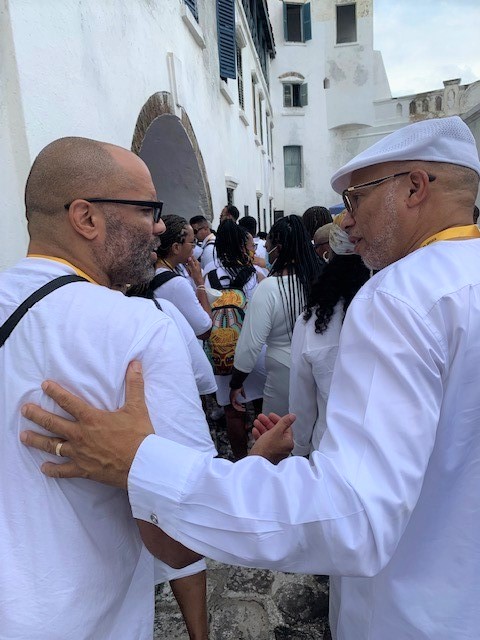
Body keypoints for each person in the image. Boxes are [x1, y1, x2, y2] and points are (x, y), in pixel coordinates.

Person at [22, 116, 480, 639]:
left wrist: (143, 463)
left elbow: (355, 517)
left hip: (409, 612)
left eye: (355, 199)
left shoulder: (401, 295)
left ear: (415, 187)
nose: (346, 223)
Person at [2, 136, 216, 640]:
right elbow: (181, 541)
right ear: (86, 218)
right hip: (82, 620)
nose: (160, 226)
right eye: (148, 209)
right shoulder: (137, 328)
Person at [289, 216, 370, 456]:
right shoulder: (389, 312)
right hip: (383, 451)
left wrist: (299, 448)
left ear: (329, 255)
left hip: (328, 449)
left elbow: (301, 400)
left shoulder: (312, 323)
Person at [229, 215, 323, 416]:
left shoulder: (270, 288)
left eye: (268, 244)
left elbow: (250, 345)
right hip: (319, 367)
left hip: (283, 371)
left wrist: (236, 382)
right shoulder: (319, 280)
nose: (265, 250)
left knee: (277, 431)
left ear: (278, 247)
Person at [204, 220, 266, 459]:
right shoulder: (255, 274)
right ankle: (263, 456)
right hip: (253, 349)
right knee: (260, 405)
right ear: (243, 246)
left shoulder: (208, 275)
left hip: (222, 352)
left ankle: (239, 460)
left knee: (232, 411)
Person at [152, 214, 212, 339]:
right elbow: (205, 329)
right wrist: (200, 283)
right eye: (192, 243)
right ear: (176, 247)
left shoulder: (150, 270)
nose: (194, 248)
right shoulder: (177, 284)